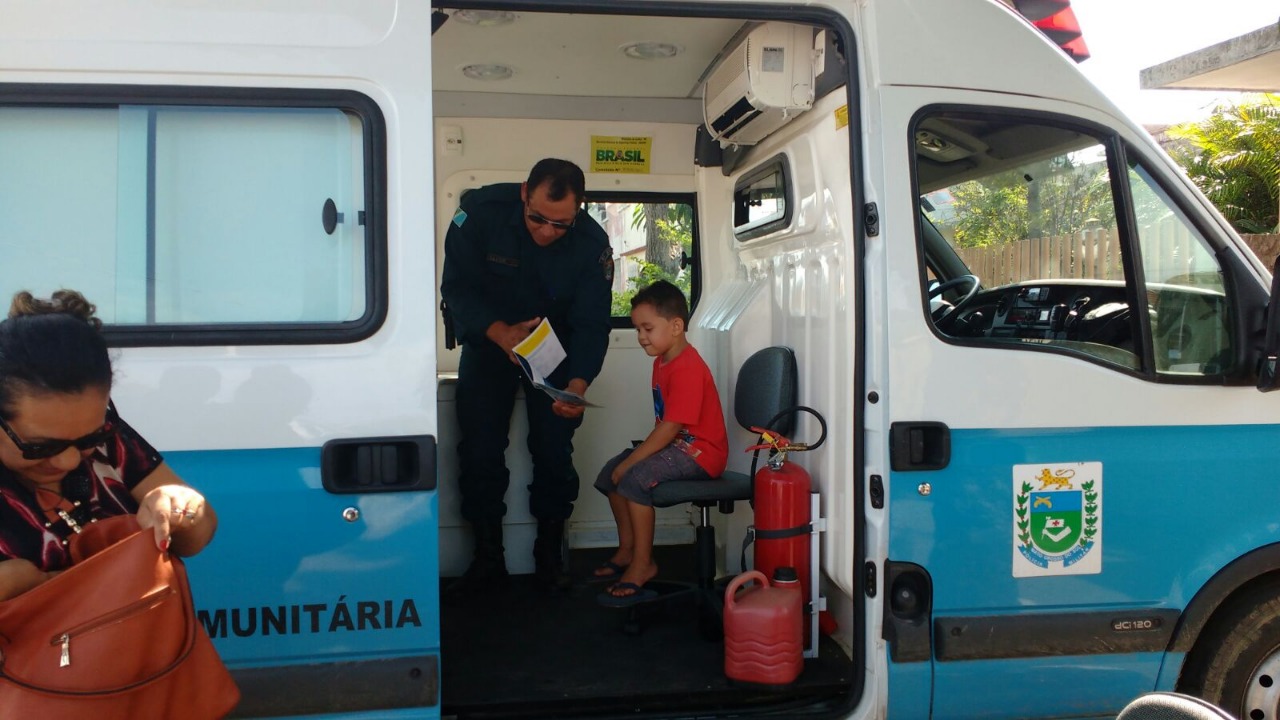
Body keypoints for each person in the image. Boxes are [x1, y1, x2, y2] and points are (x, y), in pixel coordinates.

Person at [440, 158, 613, 592]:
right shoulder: (480, 213)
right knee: (479, 450)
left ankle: (549, 561)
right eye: (538, 219)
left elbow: (592, 323)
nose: (547, 232)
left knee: (554, 451)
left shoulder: (591, 243)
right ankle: (487, 561)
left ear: (578, 209)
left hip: (554, 350)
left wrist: (579, 383)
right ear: (524, 193)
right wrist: (500, 333)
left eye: (561, 224)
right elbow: (456, 288)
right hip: (489, 341)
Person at [0, 290, 218, 601]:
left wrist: (181, 508)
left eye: (88, 440)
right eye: (40, 447)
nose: (69, 460)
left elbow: (197, 537)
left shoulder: (111, 438)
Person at [592, 280, 727, 604]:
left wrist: (633, 461)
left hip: (702, 453)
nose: (641, 336)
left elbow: (669, 428)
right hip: (678, 446)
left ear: (676, 326)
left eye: (647, 328)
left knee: (633, 477)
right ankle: (628, 550)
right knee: (610, 474)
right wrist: (628, 460)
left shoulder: (688, 367)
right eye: (637, 329)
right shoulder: (662, 361)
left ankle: (643, 564)